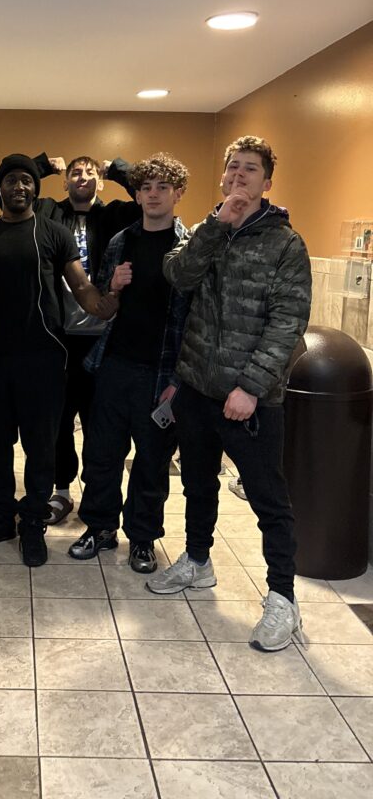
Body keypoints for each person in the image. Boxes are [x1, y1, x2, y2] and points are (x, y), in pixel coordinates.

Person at [146, 136, 311, 653]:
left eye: (251, 169)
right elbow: (177, 273)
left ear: (268, 182)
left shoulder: (286, 244)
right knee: (197, 483)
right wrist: (218, 225)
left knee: (269, 501)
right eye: (233, 167)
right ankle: (197, 561)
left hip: (250, 401)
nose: (240, 175)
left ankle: (283, 599)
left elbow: (288, 323)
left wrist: (250, 386)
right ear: (222, 178)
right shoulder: (205, 230)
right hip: (196, 389)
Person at [0, 154, 117, 567]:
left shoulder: (55, 233)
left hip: (45, 356)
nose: (19, 187)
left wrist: (108, 302)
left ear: (35, 189)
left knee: (41, 445)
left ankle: (34, 522)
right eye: (11, 181)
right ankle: (0, 516)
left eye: (26, 181)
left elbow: (81, 287)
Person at [67, 154, 190, 572]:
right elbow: (103, 307)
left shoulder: (189, 247)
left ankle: (142, 538)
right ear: (136, 194)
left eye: (162, 188)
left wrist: (179, 379)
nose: (153, 195)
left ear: (177, 193)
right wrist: (114, 289)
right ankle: (100, 528)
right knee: (101, 455)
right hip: (115, 366)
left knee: (152, 462)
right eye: (146, 188)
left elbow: (197, 318)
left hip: (162, 375)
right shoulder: (121, 241)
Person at [33, 152, 141, 523]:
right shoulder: (48, 212)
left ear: (100, 179)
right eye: (76, 173)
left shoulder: (114, 215)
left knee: (100, 423)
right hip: (60, 336)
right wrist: (44, 165)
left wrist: (119, 170)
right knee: (58, 420)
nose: (82, 177)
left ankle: (97, 494)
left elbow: (143, 194)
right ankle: (60, 491)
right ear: (65, 181)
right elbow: (12, 192)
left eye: (90, 172)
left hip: (103, 336)